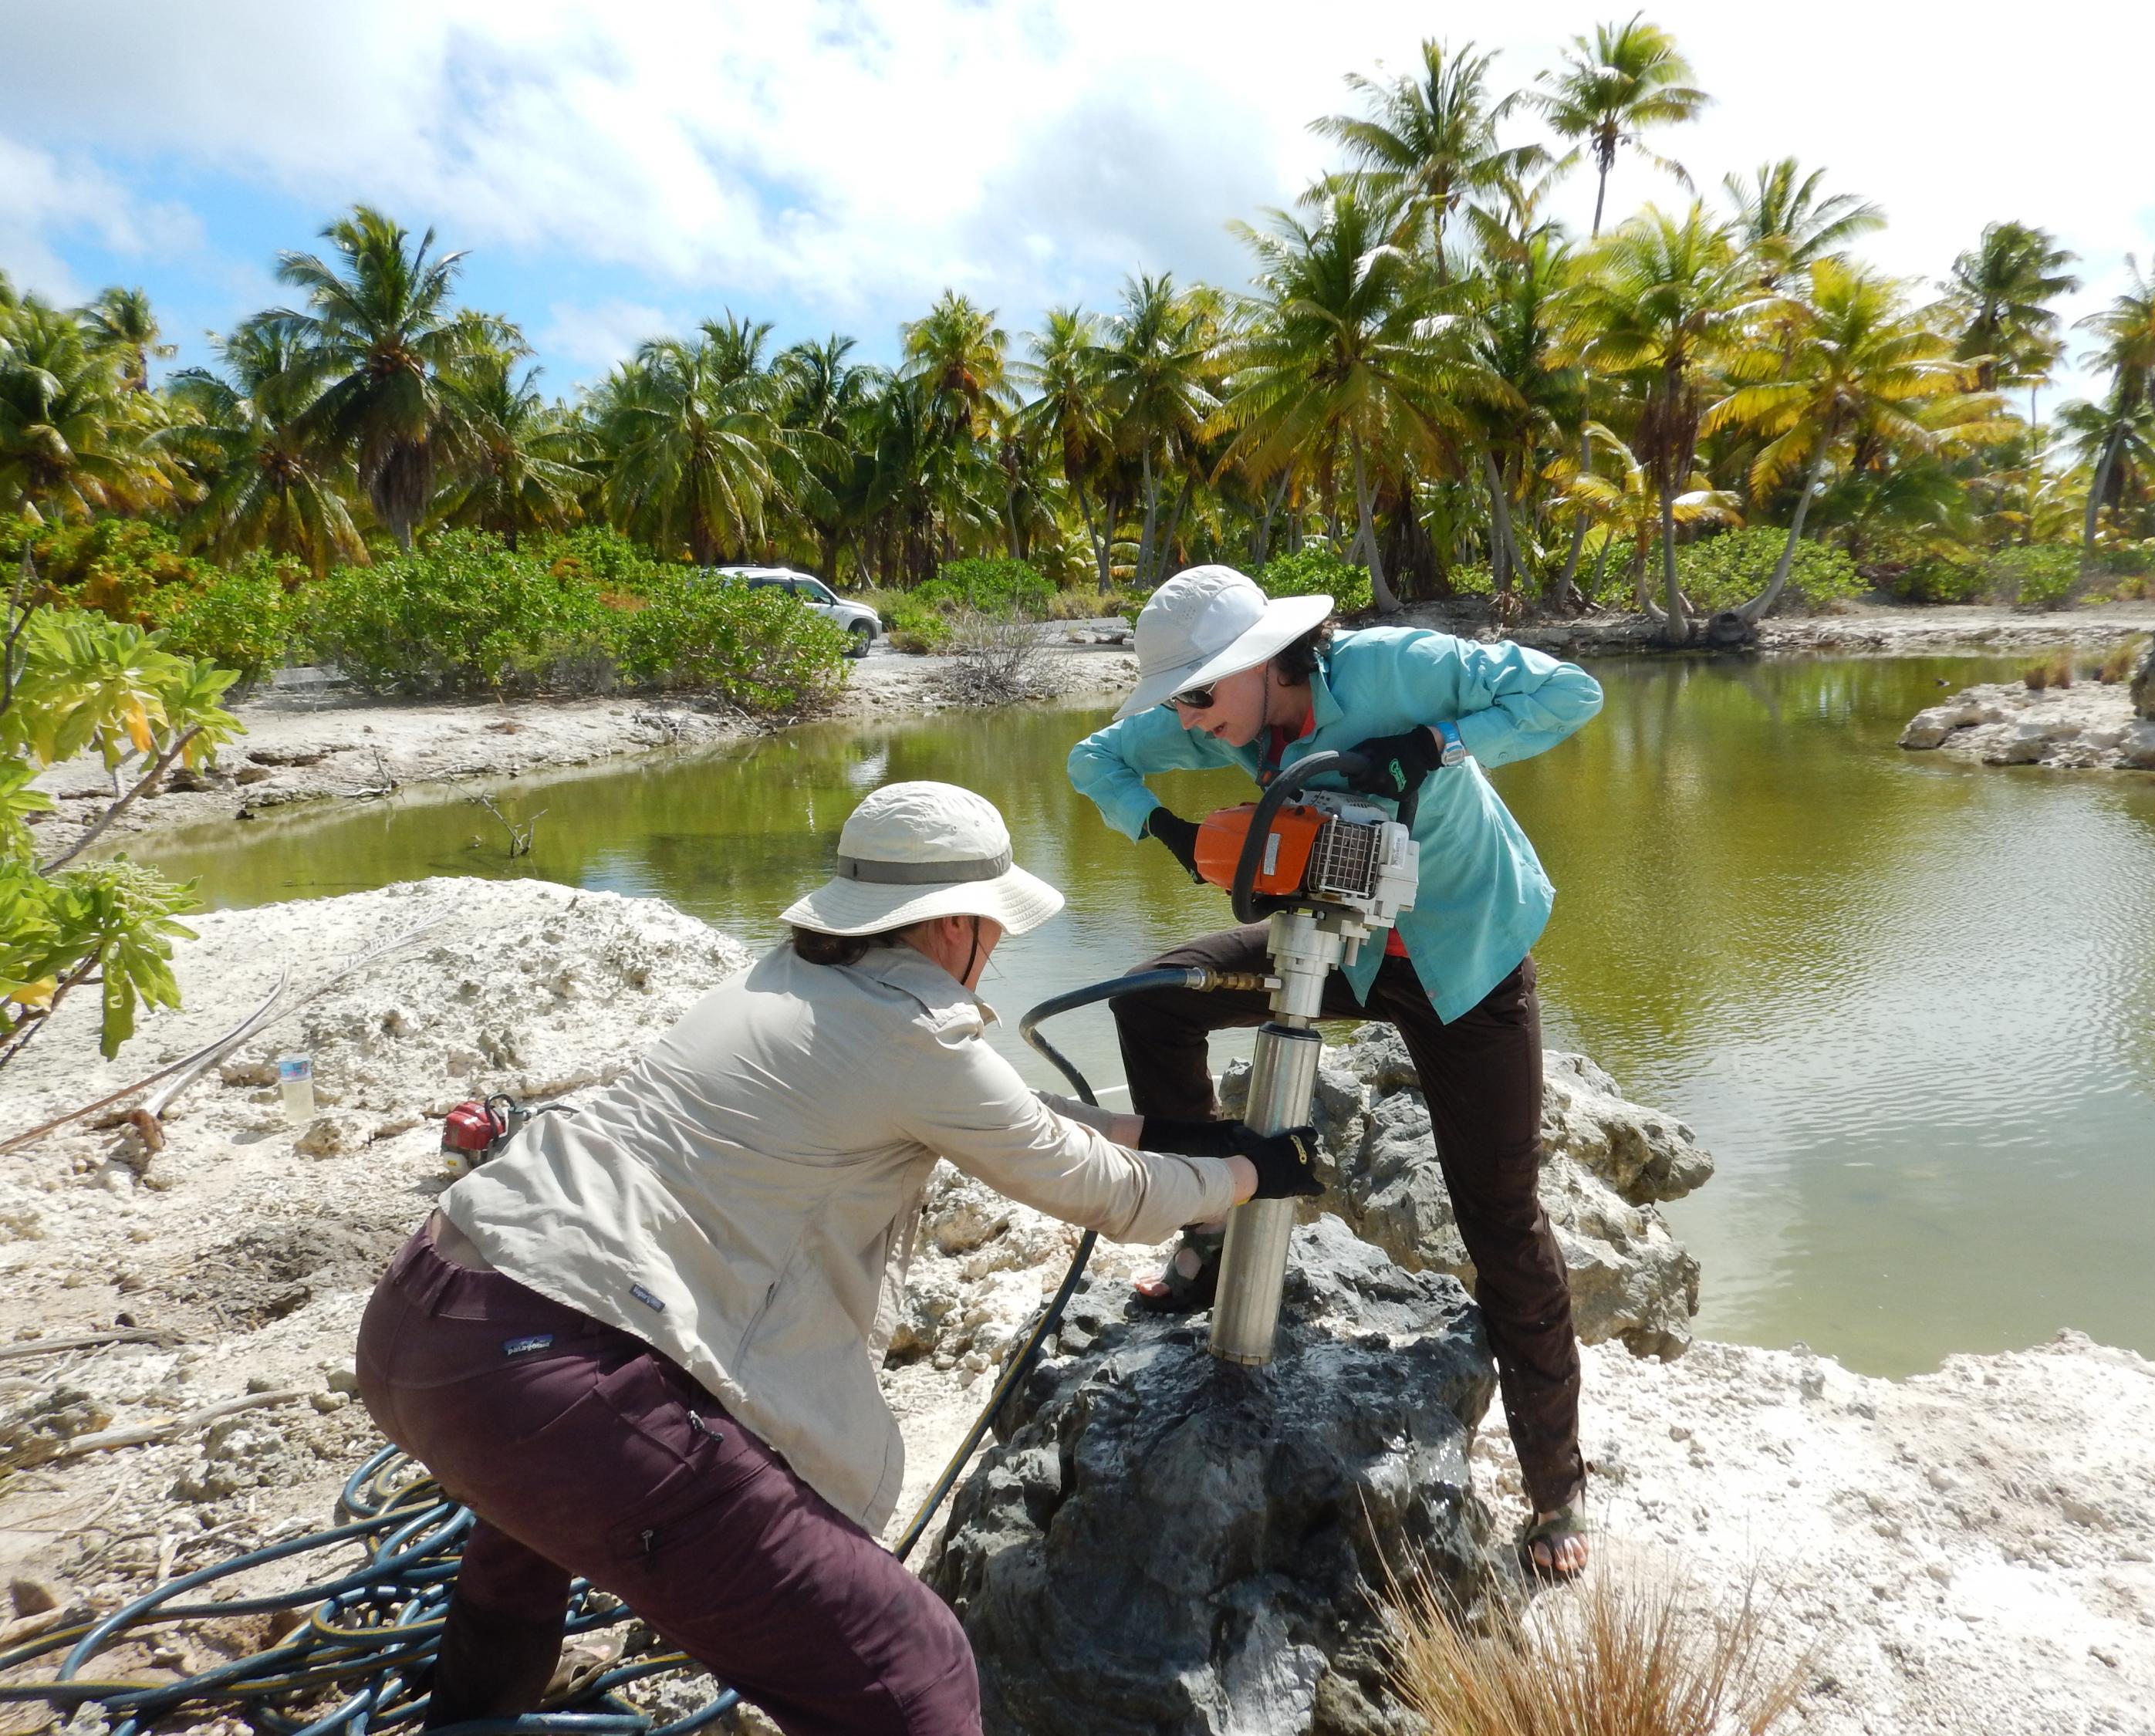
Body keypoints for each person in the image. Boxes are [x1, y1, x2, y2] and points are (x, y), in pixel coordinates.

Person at [354, 781, 1321, 1736]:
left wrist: (1169, 1132)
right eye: (994, 926)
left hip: (429, 1322)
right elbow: (1114, 1197)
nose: (994, 949)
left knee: (520, 1548)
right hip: (555, 1380)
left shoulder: (782, 980)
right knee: (912, 1666)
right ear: (955, 924)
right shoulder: (914, 1034)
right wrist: (1252, 1173)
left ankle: (468, 1715)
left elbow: (1001, 1115)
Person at [1066, 566, 1605, 1579]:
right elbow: (1096, 760)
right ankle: (1210, 1230)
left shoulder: (1396, 668)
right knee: (1151, 997)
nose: (1190, 719)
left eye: (1200, 694)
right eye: (1179, 701)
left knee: (1500, 1215)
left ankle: (1555, 1484)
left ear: (1265, 660)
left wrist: (1436, 744)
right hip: (1333, 952)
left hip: (1465, 962)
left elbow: (1568, 692)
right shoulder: (1217, 727)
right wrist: (1175, 834)